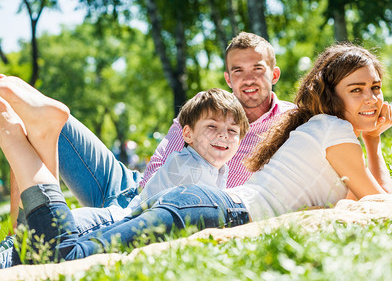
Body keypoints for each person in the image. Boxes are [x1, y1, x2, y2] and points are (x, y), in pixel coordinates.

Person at [0, 43, 392, 266]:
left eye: (375, 88)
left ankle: (35, 136)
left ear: (273, 75)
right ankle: (19, 140)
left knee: (48, 251)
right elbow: (380, 200)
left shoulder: (310, 125)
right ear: (331, 93)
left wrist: (373, 140)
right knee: (67, 253)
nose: (372, 99)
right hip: (207, 207)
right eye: (357, 89)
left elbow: (365, 193)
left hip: (199, 202)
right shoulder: (334, 129)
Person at [7, 32, 295, 235]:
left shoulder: (293, 120)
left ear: (274, 74)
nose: (248, 79)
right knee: (42, 115)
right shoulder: (206, 109)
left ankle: (25, 233)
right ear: (228, 78)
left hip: (150, 210)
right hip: (132, 189)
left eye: (257, 69)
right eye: (238, 70)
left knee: (66, 228)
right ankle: (17, 225)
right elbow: (159, 164)